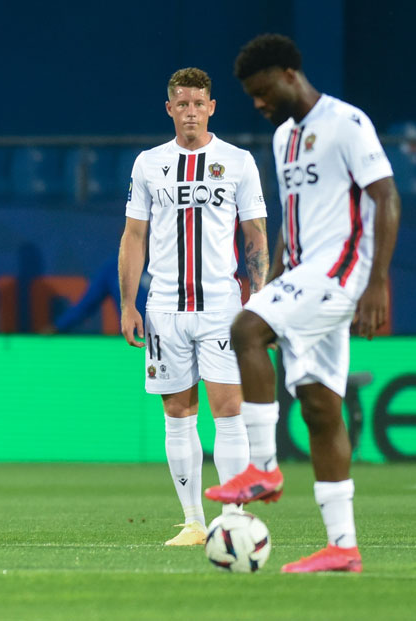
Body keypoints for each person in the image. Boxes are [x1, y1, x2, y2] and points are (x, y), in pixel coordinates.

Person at [205, 34, 401, 574]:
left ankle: (263, 468)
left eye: (262, 90)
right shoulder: (284, 138)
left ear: (289, 73)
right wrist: (284, 271)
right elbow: (294, 219)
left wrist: (377, 282)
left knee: (245, 329)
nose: (258, 103)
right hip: (306, 273)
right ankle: (343, 546)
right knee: (319, 406)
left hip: (342, 271)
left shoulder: (347, 122)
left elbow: (385, 195)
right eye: (250, 95)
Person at [119, 68, 269, 546]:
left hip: (222, 305)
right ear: (169, 109)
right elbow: (134, 237)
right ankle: (193, 522)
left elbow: (256, 235)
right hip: (164, 306)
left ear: (211, 107)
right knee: (178, 413)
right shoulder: (148, 164)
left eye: (197, 103)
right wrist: (128, 303)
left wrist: (260, 300)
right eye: (180, 103)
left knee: (228, 409)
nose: (189, 111)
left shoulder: (238, 161)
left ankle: (234, 517)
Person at [41, 255, 149, 335]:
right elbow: (85, 306)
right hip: (135, 343)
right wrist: (57, 328)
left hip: (164, 339)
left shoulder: (164, 266)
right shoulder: (114, 269)